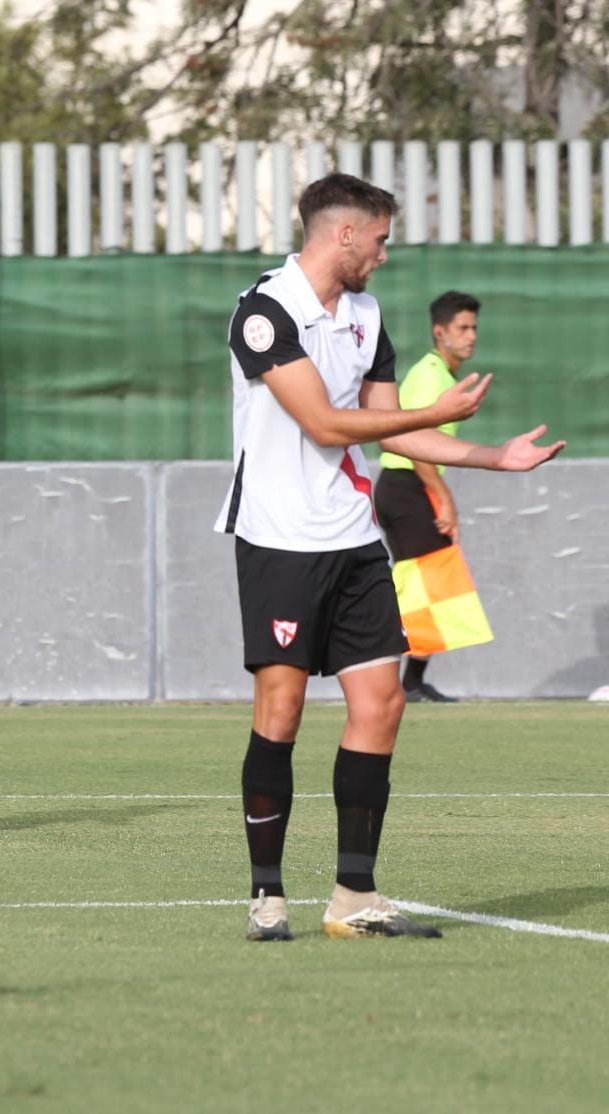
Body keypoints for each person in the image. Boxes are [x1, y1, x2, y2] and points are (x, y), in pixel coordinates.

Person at [217, 174, 563, 942]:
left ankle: (353, 896)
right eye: (379, 239)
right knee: (283, 711)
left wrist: (488, 456)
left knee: (383, 704)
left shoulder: (367, 315)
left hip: (353, 540)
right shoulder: (265, 313)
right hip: (278, 540)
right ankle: (267, 896)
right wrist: (435, 407)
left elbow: (387, 428)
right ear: (344, 234)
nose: (383, 253)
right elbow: (324, 424)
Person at [375, 291, 486, 702]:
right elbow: (411, 442)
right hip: (405, 488)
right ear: (440, 332)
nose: (471, 336)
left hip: (412, 488)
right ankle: (395, 681)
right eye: (463, 328)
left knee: (431, 584)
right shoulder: (430, 374)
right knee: (420, 586)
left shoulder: (445, 376)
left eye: (474, 327)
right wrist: (445, 497)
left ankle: (410, 682)